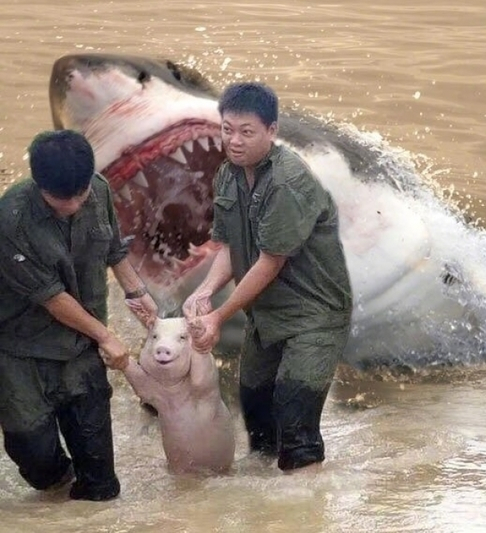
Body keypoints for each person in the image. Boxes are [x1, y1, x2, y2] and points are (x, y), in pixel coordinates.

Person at [183, 82, 352, 473]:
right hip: (266, 315)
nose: (234, 141)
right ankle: (262, 502)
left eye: (246, 132)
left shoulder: (287, 182)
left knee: (295, 424)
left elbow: (269, 262)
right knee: (258, 418)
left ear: (272, 131)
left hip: (314, 317)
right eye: (227, 129)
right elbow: (229, 245)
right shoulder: (228, 175)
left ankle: (304, 503)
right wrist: (204, 292)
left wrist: (218, 317)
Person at [0, 130, 157, 501]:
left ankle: (89, 525)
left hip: (81, 345)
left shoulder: (98, 190)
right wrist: (106, 336)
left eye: (79, 194)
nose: (72, 205)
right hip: (22, 350)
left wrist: (137, 292)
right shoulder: (11, 220)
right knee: (38, 461)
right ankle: (57, 491)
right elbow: (52, 298)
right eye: (59, 198)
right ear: (39, 185)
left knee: (101, 483)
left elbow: (112, 249)